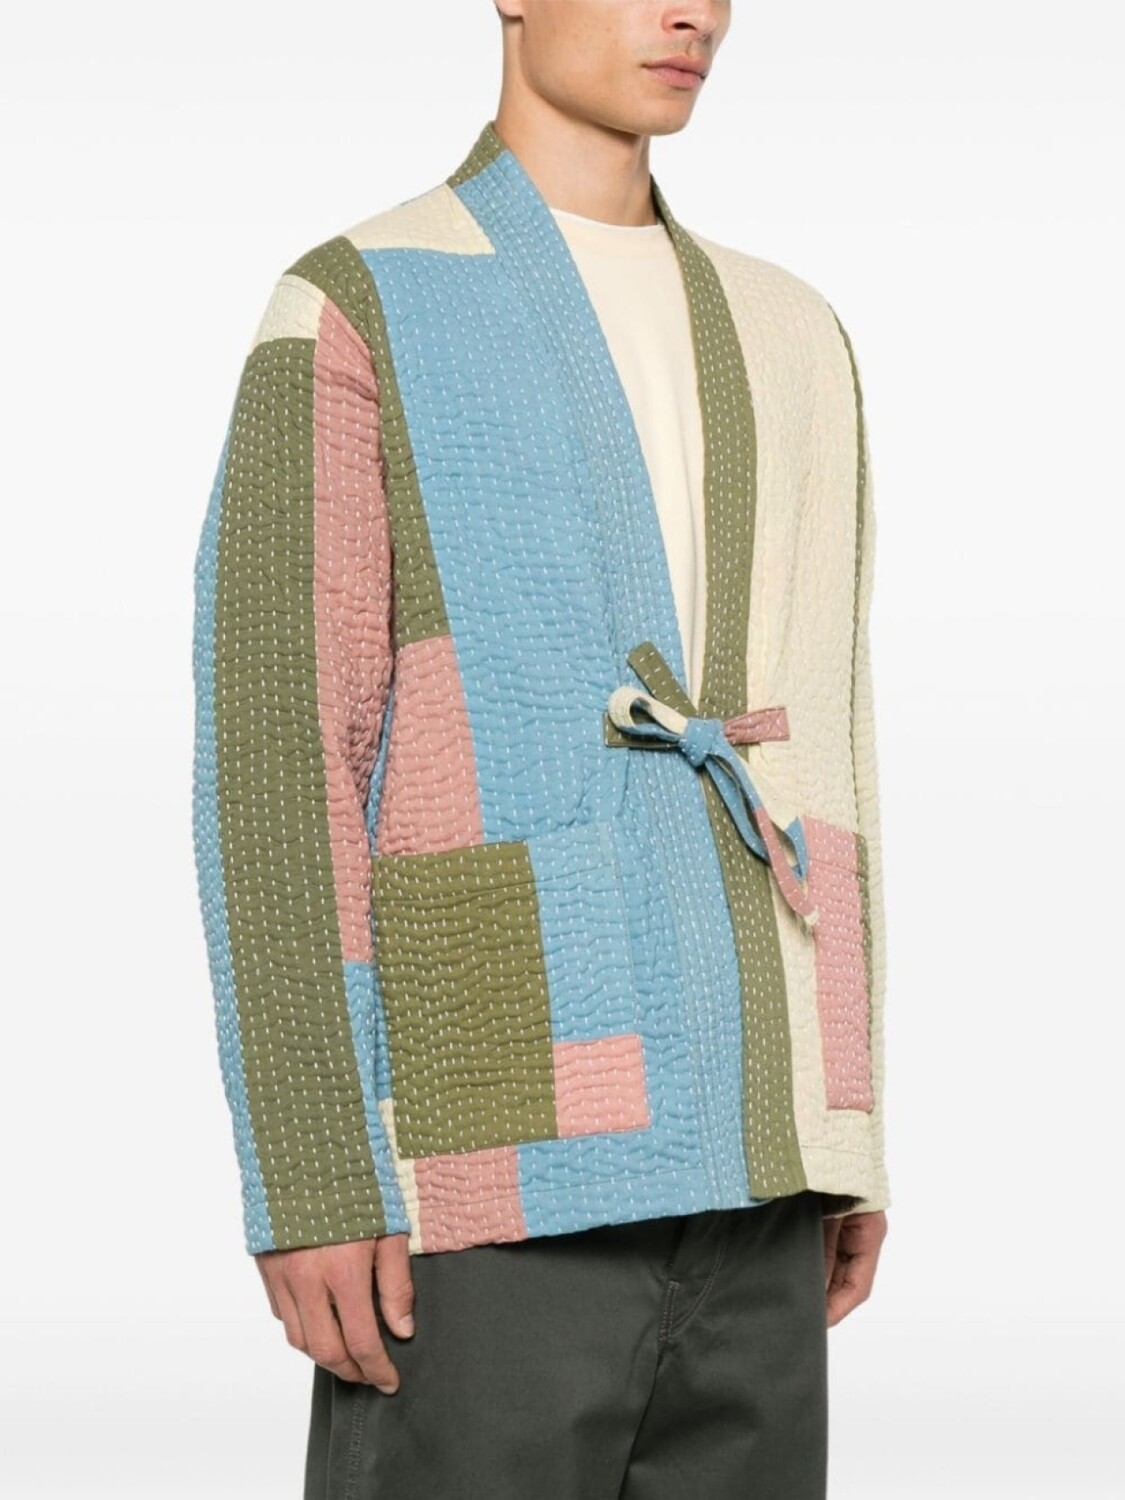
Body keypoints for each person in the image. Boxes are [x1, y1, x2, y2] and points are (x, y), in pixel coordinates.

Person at [191, 2, 891, 1495]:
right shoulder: (361, 302)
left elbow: (829, 747)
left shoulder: (794, 331)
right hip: (481, 1166)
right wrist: (313, 1167)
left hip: (759, 1165)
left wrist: (844, 1118)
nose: (693, 12)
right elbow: (279, 760)